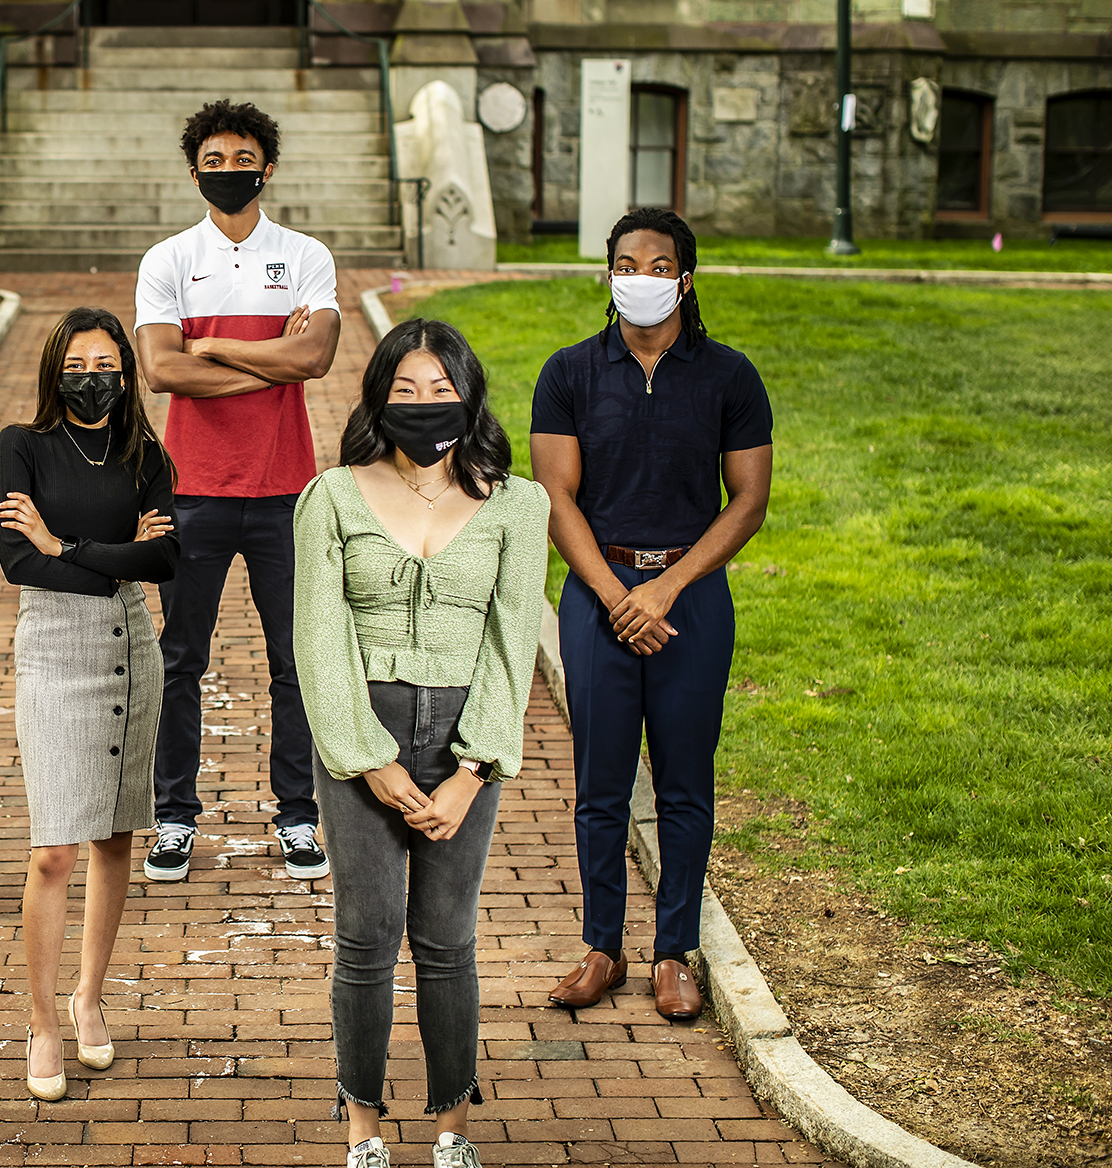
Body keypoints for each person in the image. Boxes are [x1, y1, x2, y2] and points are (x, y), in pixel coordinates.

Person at [295, 318, 549, 1168]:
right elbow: (319, 639)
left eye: (441, 388)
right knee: (365, 932)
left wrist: (473, 770)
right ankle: (363, 1130)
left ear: (470, 395)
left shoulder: (518, 503)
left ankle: (452, 1129)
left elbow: (514, 646)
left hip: (465, 736)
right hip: (359, 728)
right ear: (377, 398)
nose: (424, 402)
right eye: (405, 388)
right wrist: (369, 758)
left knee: (446, 935)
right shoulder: (331, 496)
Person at [529, 206, 773, 1021]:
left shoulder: (729, 375)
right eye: (626, 263)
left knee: (684, 786)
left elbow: (748, 500)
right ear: (609, 275)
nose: (641, 277)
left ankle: (675, 952)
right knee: (598, 786)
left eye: (658, 264)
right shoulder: (569, 372)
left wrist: (665, 590)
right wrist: (613, 595)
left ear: (686, 278)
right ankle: (603, 946)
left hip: (690, 600)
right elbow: (556, 497)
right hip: (599, 598)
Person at [134, 98, 343, 883]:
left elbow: (314, 360)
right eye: (213, 162)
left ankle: (297, 816)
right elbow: (160, 370)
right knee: (181, 658)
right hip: (194, 490)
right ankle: (175, 819)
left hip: (288, 489)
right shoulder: (167, 259)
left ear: (268, 166)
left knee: (295, 660)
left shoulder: (307, 254)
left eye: (242, 159)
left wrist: (213, 342)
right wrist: (268, 353)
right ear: (194, 172)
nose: (229, 172)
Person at [0, 307, 182, 1101]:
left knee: (113, 838)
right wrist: (110, 560)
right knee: (53, 850)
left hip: (133, 645)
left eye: (108, 362)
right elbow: (12, 560)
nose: (93, 375)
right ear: (54, 369)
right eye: (78, 362)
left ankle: (89, 996)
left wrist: (63, 546)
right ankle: (41, 1020)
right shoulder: (21, 445)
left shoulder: (146, 451)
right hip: (55, 647)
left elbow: (166, 557)